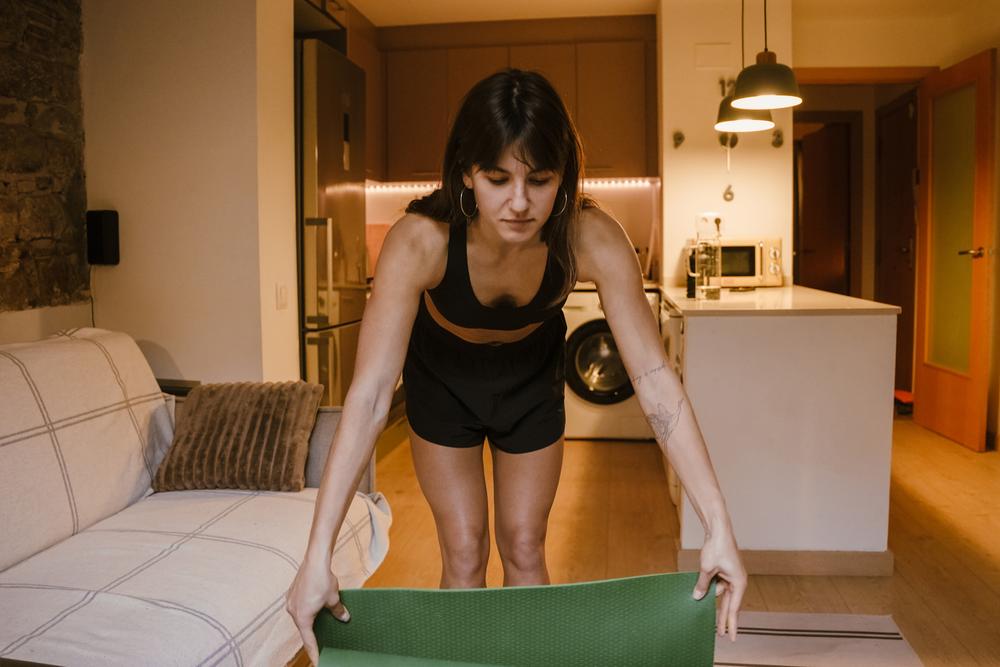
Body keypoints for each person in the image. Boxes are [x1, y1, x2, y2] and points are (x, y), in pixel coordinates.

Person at [285, 68, 747, 665]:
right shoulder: (419, 242)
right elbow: (371, 397)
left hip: (530, 380)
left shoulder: (592, 238)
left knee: (526, 547)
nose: (521, 202)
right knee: (464, 551)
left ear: (564, 175)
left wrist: (718, 525)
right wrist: (316, 555)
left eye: (541, 179)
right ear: (466, 173)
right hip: (443, 383)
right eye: (498, 179)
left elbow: (657, 384)